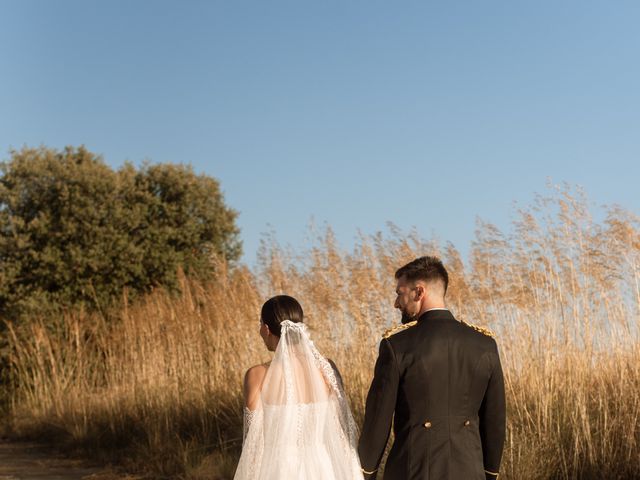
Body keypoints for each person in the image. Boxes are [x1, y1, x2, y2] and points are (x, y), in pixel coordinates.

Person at [358, 256, 506, 479]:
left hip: (411, 472)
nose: (396, 303)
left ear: (419, 292)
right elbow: (494, 421)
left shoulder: (396, 345)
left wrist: (365, 473)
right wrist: (489, 474)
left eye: (400, 293)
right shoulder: (484, 344)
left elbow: (377, 422)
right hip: (469, 472)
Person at [233, 295, 363, 480]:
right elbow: (339, 430)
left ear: (266, 328)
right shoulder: (327, 369)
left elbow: (253, 440)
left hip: (279, 469)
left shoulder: (257, 375)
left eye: (260, 323)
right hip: (323, 467)